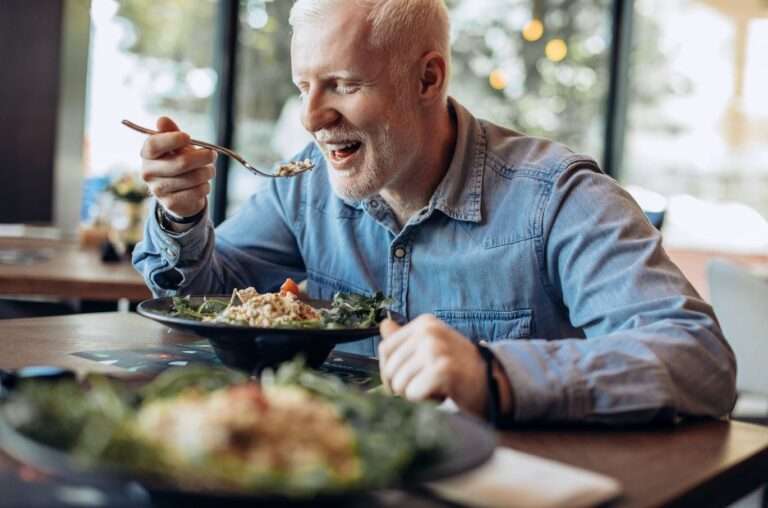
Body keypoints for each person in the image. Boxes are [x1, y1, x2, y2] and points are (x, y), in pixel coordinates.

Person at [133, 0, 736, 424]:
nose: (311, 118)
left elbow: (699, 360)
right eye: (303, 87)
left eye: (341, 84)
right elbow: (209, 295)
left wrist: (495, 375)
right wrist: (183, 217)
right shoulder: (306, 185)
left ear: (428, 78)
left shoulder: (559, 200)